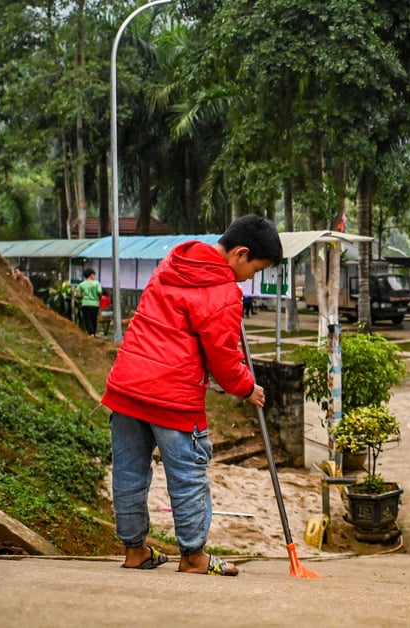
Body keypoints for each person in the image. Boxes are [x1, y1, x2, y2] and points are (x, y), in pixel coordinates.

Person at [103, 214, 281, 577]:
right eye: (255, 268)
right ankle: (193, 557)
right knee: (187, 476)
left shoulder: (173, 261)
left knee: (128, 473)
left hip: (127, 386)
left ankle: (135, 550)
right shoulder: (224, 291)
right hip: (173, 396)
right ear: (240, 253)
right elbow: (224, 359)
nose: (251, 278)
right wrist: (248, 387)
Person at [77, 269, 103, 337]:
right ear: (91, 275)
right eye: (94, 275)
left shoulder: (81, 284)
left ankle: (91, 333)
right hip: (95, 304)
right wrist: (99, 298)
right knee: (93, 319)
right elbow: (99, 292)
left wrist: (84, 296)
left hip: (85, 304)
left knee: (87, 319)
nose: (94, 276)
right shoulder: (97, 283)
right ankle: (93, 333)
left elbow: (79, 295)